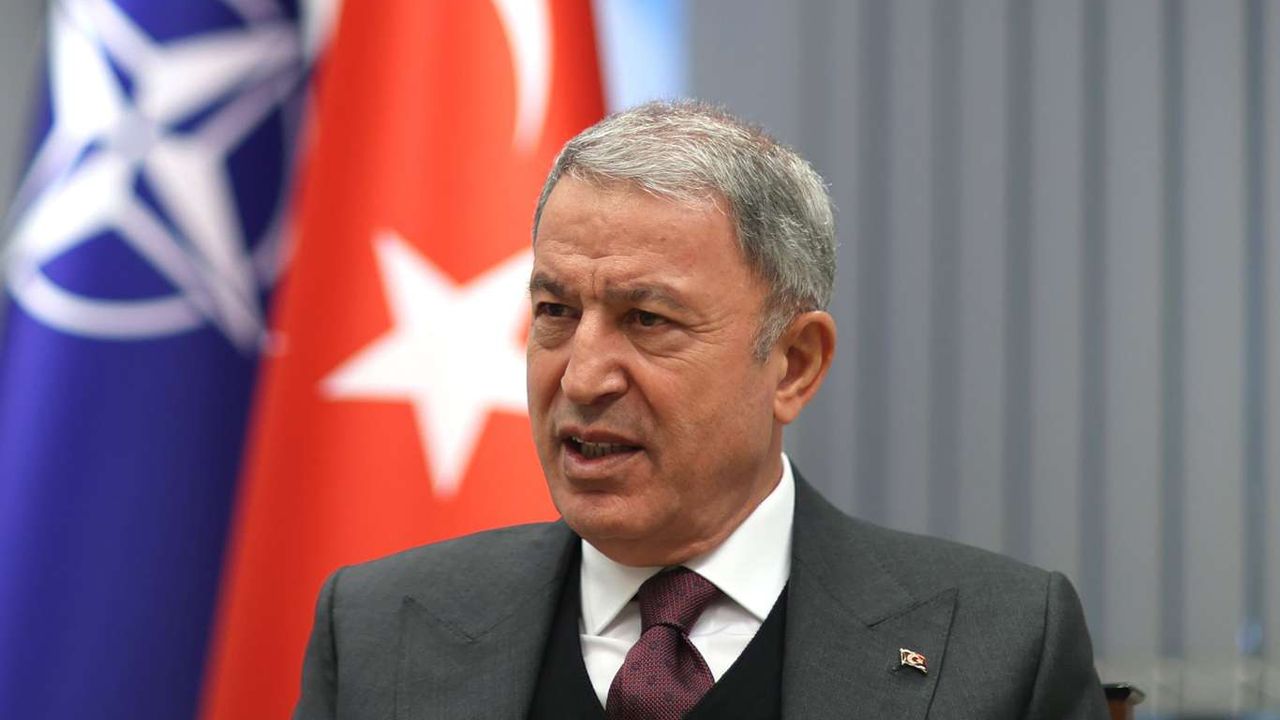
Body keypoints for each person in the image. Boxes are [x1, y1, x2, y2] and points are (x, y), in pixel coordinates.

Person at [293, 100, 1108, 719]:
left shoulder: (1000, 648)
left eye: (648, 320)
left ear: (793, 364)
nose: (582, 377)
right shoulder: (377, 631)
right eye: (555, 312)